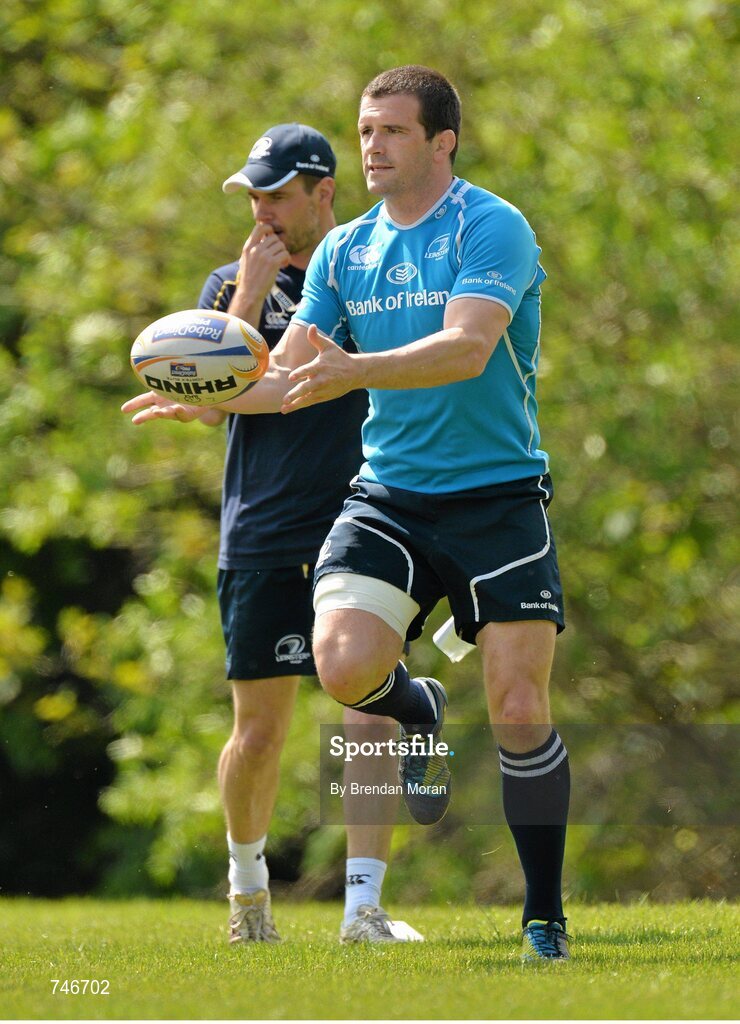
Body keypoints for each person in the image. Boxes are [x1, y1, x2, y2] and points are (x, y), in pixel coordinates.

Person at [125, 67, 571, 962]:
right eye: (366, 131)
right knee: (341, 667)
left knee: (521, 707)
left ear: (442, 141)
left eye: (393, 132)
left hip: (497, 493)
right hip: (391, 495)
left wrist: (355, 371)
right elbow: (288, 377)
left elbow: (467, 347)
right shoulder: (345, 253)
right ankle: (418, 709)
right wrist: (210, 394)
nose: (373, 146)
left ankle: (543, 917)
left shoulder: (491, 226)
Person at [127, 123, 422, 945]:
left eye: (276, 195)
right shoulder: (227, 284)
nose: (261, 210)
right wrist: (247, 295)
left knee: (369, 714)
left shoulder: (372, 275)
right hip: (259, 532)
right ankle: (248, 896)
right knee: (258, 734)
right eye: (252, 195)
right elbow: (216, 388)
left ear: (323, 192)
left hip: (363, 524)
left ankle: (363, 907)